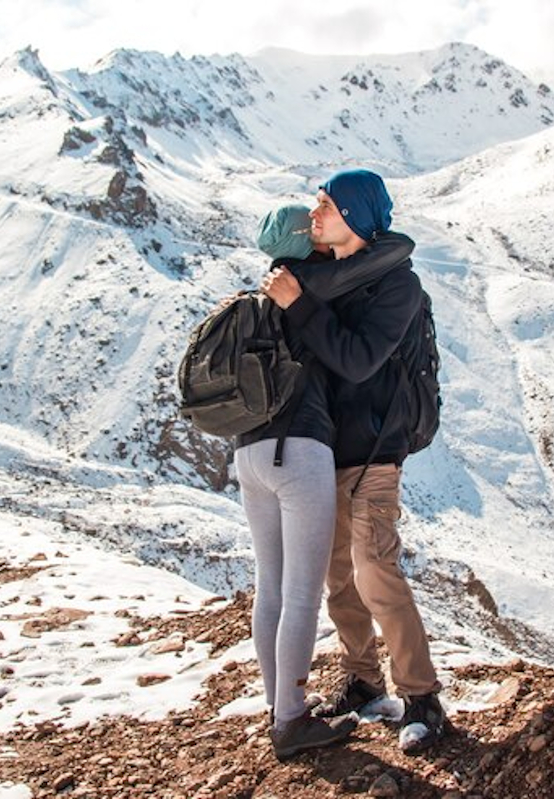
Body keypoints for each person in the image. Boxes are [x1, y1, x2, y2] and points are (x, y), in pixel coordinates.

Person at [260, 170, 447, 754]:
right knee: (338, 575)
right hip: (324, 453)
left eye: (326, 205)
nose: (315, 214)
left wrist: (300, 308)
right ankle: (365, 683)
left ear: (357, 216)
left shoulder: (397, 286)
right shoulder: (321, 279)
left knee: (375, 569)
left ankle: (421, 698)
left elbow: (359, 360)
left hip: (374, 453)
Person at [238, 203, 414, 760]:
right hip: (302, 451)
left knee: (270, 587)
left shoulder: (251, 301)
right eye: (312, 223)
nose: (321, 223)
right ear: (307, 245)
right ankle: (291, 722)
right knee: (301, 593)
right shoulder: (310, 290)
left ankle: (277, 709)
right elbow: (386, 258)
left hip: (248, 455)